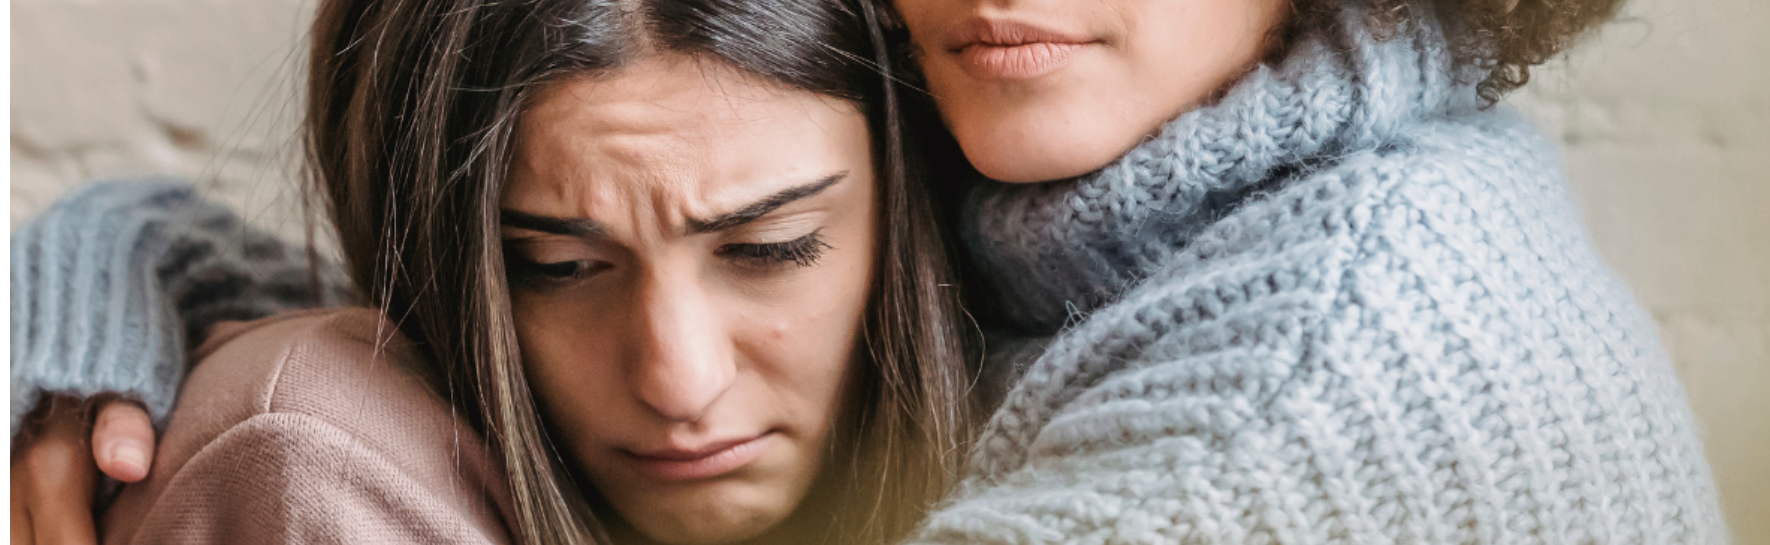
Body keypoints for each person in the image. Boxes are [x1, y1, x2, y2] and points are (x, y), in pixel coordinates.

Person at [15, 0, 1732, 542]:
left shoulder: (1277, 418)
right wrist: (132, 260)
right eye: (554, 264)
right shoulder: (1096, 191)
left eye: (774, 246)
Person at [12, 0, 974, 543]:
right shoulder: (315, 466)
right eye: (557, 265)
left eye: (770, 250)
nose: (679, 381)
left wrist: (133, 260)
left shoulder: (1065, 355)